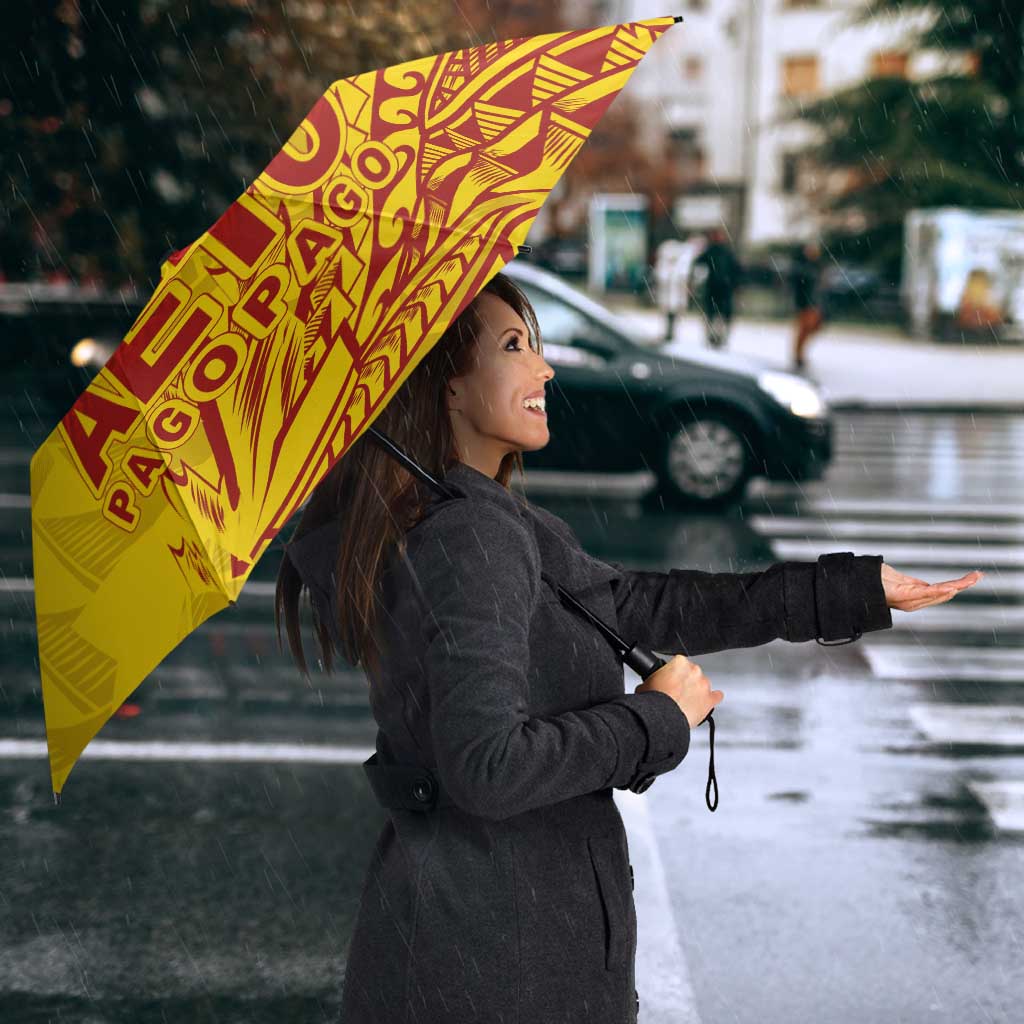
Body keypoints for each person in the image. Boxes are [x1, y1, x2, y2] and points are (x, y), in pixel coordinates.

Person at [275, 272, 979, 1024]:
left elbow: (640, 605)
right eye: (514, 346)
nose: (544, 368)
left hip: (479, 942)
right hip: (498, 962)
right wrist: (655, 719)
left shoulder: (474, 517)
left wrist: (849, 591)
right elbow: (487, 767)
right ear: (446, 387)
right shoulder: (470, 536)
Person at [692, 226, 742, 349]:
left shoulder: (725, 252)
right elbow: (698, 264)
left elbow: (736, 270)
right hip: (715, 288)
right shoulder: (712, 251)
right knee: (713, 314)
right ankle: (713, 337)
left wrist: (735, 284)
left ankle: (719, 337)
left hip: (723, 288)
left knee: (720, 315)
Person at [790, 239, 826, 371]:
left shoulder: (817, 266)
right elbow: (799, 286)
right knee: (804, 329)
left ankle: (800, 354)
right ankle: (798, 355)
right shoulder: (802, 267)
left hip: (814, 303)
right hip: (805, 303)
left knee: (812, 328)